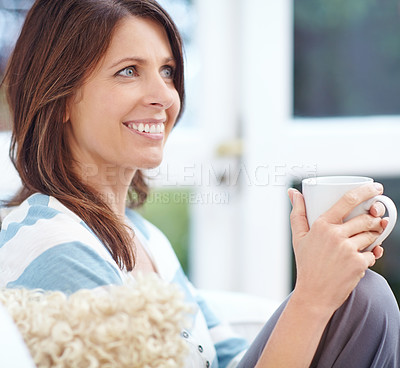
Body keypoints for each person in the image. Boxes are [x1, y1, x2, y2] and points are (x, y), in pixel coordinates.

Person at [0, 0, 399, 367]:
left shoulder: (142, 235)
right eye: (128, 71)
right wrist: (313, 297)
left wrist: (325, 277)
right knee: (366, 299)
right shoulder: (52, 244)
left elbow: (228, 358)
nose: (164, 96)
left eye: (168, 71)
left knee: (361, 296)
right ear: (62, 96)